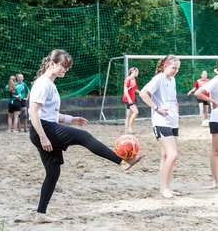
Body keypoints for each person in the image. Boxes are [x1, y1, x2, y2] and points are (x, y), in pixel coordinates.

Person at [28, 49, 144, 223]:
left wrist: (71, 119)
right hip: (44, 130)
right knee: (84, 137)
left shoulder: (50, 84)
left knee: (53, 173)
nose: (65, 70)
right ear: (52, 64)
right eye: (63, 66)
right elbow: (33, 113)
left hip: (46, 127)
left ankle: (40, 214)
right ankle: (123, 162)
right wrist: (44, 138)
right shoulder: (43, 83)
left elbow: (50, 113)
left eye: (67, 67)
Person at [139, 55, 181, 198]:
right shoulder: (158, 79)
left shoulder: (172, 80)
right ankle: (164, 188)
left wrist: (175, 106)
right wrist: (156, 108)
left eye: (178, 68)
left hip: (173, 121)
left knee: (166, 155)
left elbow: (171, 98)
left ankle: (167, 187)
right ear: (165, 66)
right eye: (173, 68)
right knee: (172, 154)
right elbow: (143, 93)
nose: (176, 71)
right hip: (161, 122)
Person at [194, 56, 218, 189]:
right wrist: (213, 101)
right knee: (216, 150)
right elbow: (198, 93)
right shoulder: (216, 80)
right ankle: (216, 181)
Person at [122, 67, 140, 134]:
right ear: (133, 71)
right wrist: (129, 99)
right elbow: (125, 90)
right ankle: (130, 127)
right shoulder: (128, 79)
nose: (138, 73)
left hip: (132, 99)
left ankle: (126, 131)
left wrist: (142, 93)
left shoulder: (134, 79)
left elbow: (135, 89)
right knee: (136, 112)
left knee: (128, 115)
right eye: (137, 71)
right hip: (128, 99)